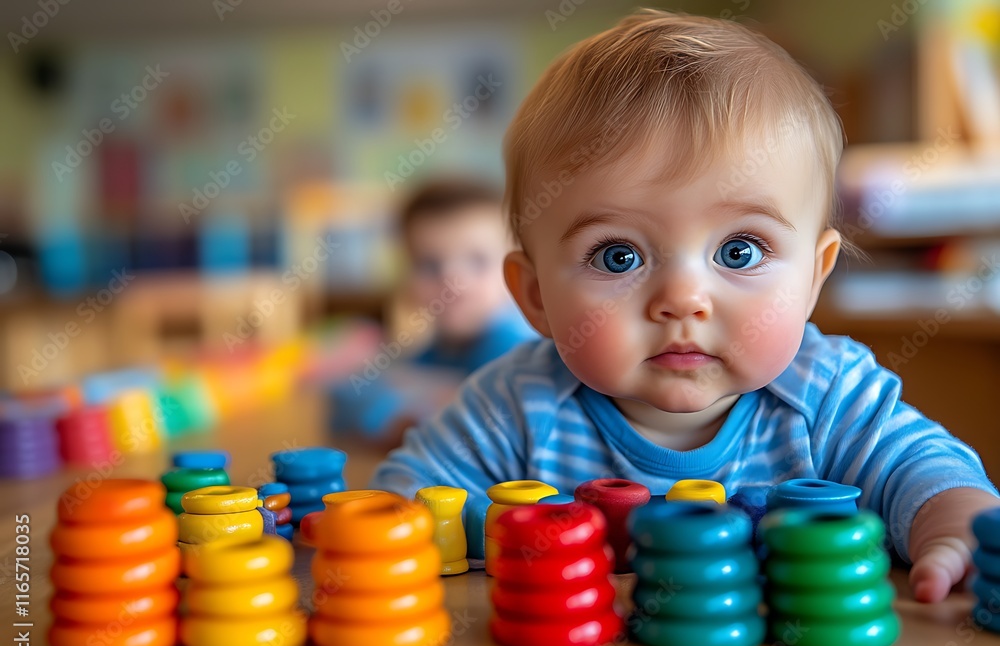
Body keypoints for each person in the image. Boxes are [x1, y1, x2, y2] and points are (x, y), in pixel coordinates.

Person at [371, 10, 999, 602]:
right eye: (618, 256)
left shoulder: (829, 396)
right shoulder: (515, 406)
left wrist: (955, 530)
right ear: (535, 297)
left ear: (813, 276)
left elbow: (928, 470)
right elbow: (405, 499)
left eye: (740, 250)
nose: (682, 299)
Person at [330, 177, 536, 447]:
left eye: (478, 261)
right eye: (429, 265)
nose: (452, 280)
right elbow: (344, 398)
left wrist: (409, 411)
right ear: (405, 278)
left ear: (515, 272)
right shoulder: (435, 351)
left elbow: (482, 423)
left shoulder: (517, 350)